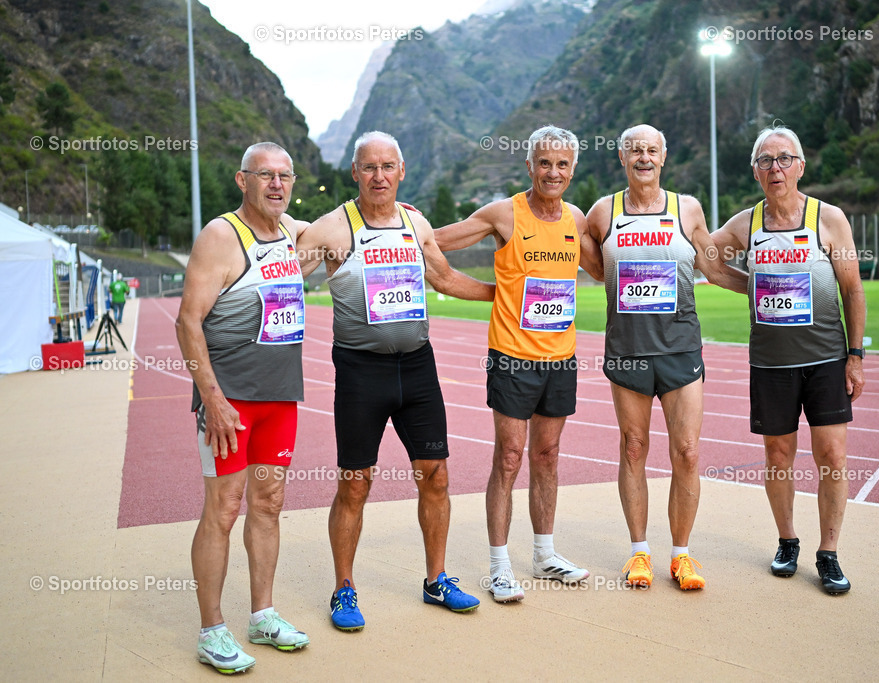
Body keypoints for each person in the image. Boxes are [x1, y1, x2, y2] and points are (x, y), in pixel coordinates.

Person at [296, 131, 493, 631]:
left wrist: (500, 294)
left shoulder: (415, 222)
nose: (379, 176)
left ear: (401, 171)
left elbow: (445, 278)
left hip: (418, 369)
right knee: (356, 485)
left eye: (388, 167)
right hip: (361, 371)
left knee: (437, 476)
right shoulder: (333, 229)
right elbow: (283, 278)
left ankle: (436, 580)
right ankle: (344, 588)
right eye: (369, 167)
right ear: (355, 173)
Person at [434, 125, 602, 602]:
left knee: (547, 456)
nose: (553, 171)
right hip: (512, 357)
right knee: (508, 458)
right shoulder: (503, 213)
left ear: (572, 169)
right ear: (529, 165)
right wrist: (399, 224)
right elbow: (440, 241)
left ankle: (545, 554)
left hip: (560, 359)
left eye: (562, 164)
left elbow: (604, 271)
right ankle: (499, 564)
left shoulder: (574, 218)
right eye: (544, 163)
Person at [585, 124, 748, 591]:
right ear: (621, 156)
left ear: (664, 156)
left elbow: (713, 266)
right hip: (628, 350)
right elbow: (594, 265)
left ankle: (681, 555)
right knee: (633, 448)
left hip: (680, 348)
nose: (643, 158)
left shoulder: (687, 208)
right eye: (635, 150)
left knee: (688, 453)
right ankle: (639, 553)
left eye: (651, 150)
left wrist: (761, 287)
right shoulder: (603, 213)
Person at [711, 124, 866, 595]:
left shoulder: (828, 218)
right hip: (770, 364)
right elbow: (708, 258)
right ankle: (787, 541)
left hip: (825, 360)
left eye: (783, 159)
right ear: (755, 171)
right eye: (765, 161)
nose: (774, 168)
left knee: (832, 456)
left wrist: (855, 357)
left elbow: (852, 289)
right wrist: (750, 285)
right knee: (777, 456)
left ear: (800, 165)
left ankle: (829, 553)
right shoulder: (746, 224)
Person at [176, 142, 310, 674]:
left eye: (284, 176)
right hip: (230, 401)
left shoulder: (292, 232)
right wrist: (213, 398)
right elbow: (188, 322)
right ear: (242, 181)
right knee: (224, 509)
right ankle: (212, 631)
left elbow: (345, 230)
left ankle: (263, 614)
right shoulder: (221, 235)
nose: (276, 184)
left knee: (269, 503)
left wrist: (399, 215)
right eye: (265, 176)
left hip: (280, 397)